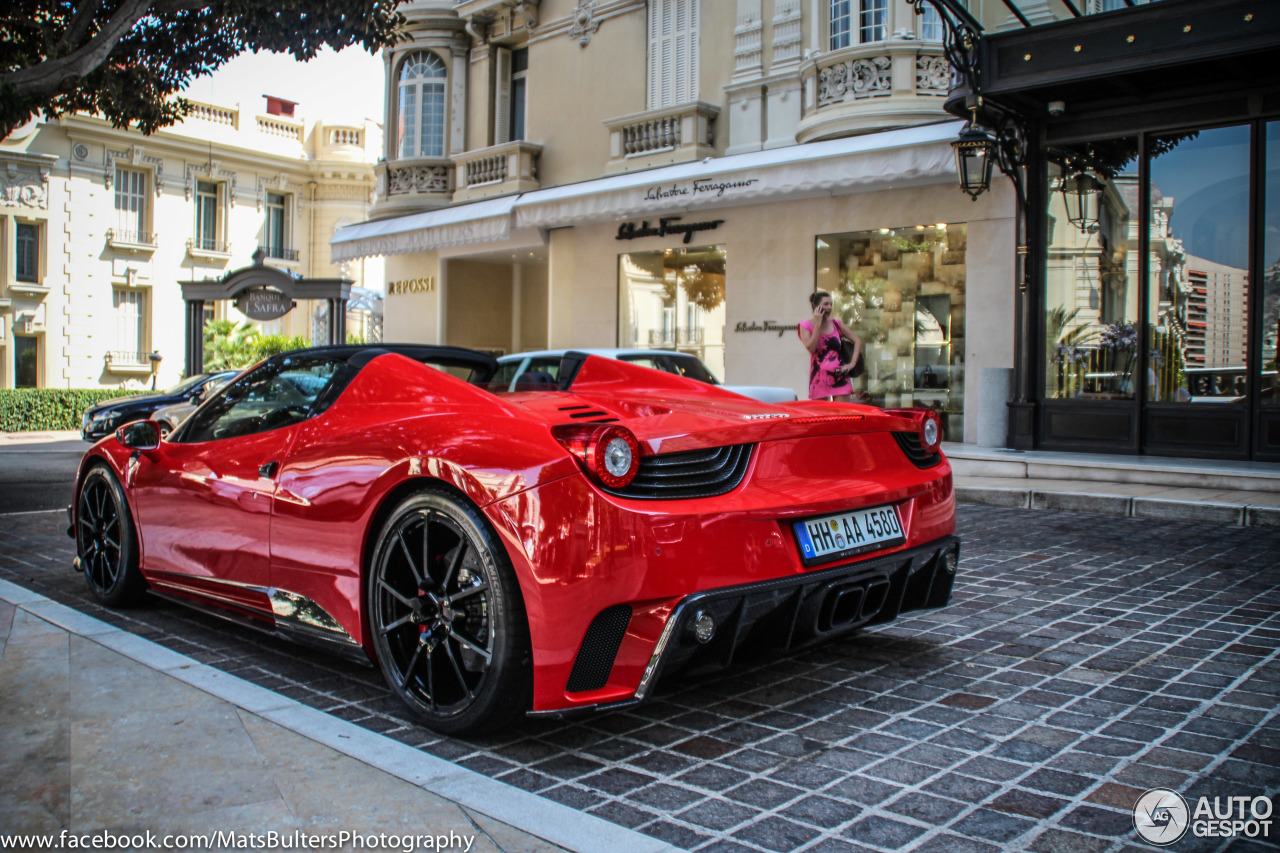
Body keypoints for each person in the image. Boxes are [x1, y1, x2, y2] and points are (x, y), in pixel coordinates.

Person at [798, 291, 863, 402]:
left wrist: (852, 363)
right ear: (816, 306)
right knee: (822, 417)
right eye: (826, 304)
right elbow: (812, 348)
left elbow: (857, 340)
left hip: (840, 377)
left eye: (831, 304)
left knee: (842, 416)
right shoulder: (805, 325)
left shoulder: (836, 323)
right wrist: (817, 325)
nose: (829, 307)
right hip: (819, 379)